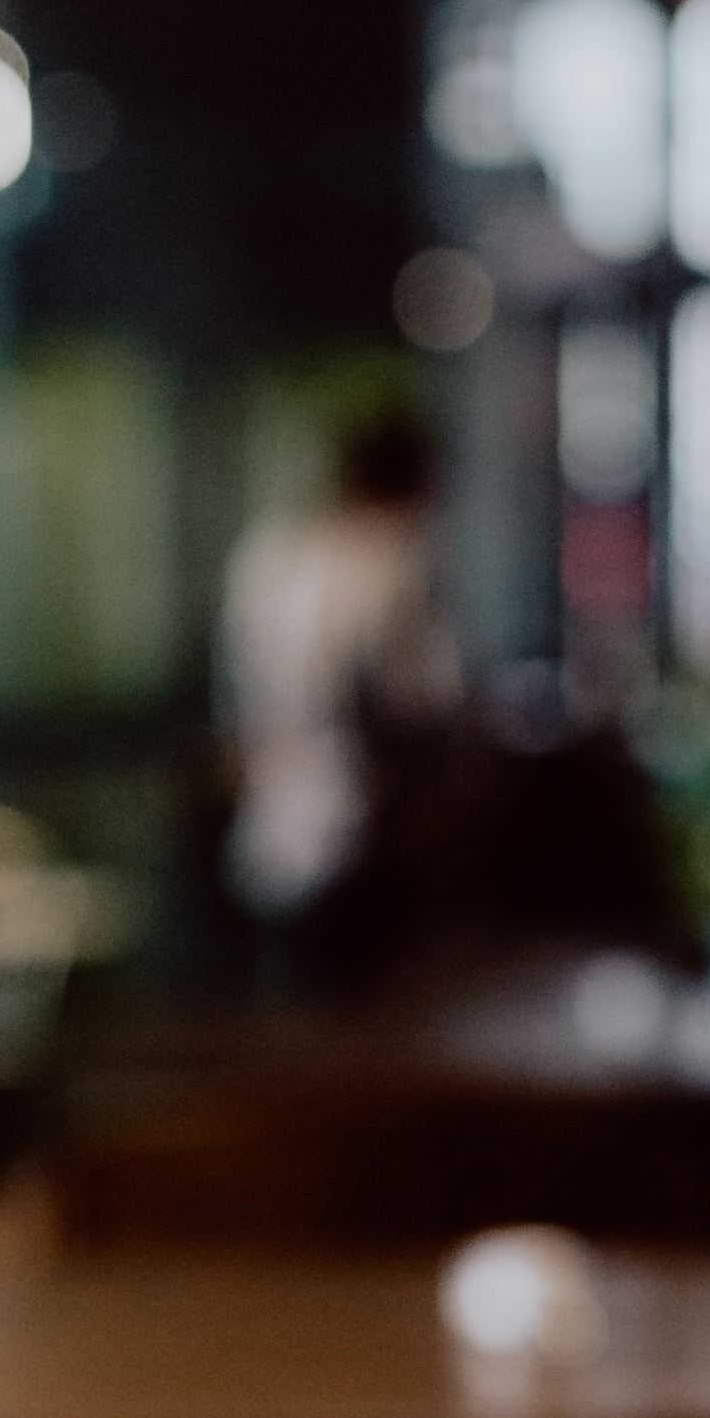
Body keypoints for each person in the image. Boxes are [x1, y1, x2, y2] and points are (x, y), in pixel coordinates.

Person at [215, 406, 459, 986]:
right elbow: (419, 702)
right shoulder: (387, 562)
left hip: (268, 820)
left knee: (289, 1010)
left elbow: (235, 693)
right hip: (362, 831)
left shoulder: (269, 554)